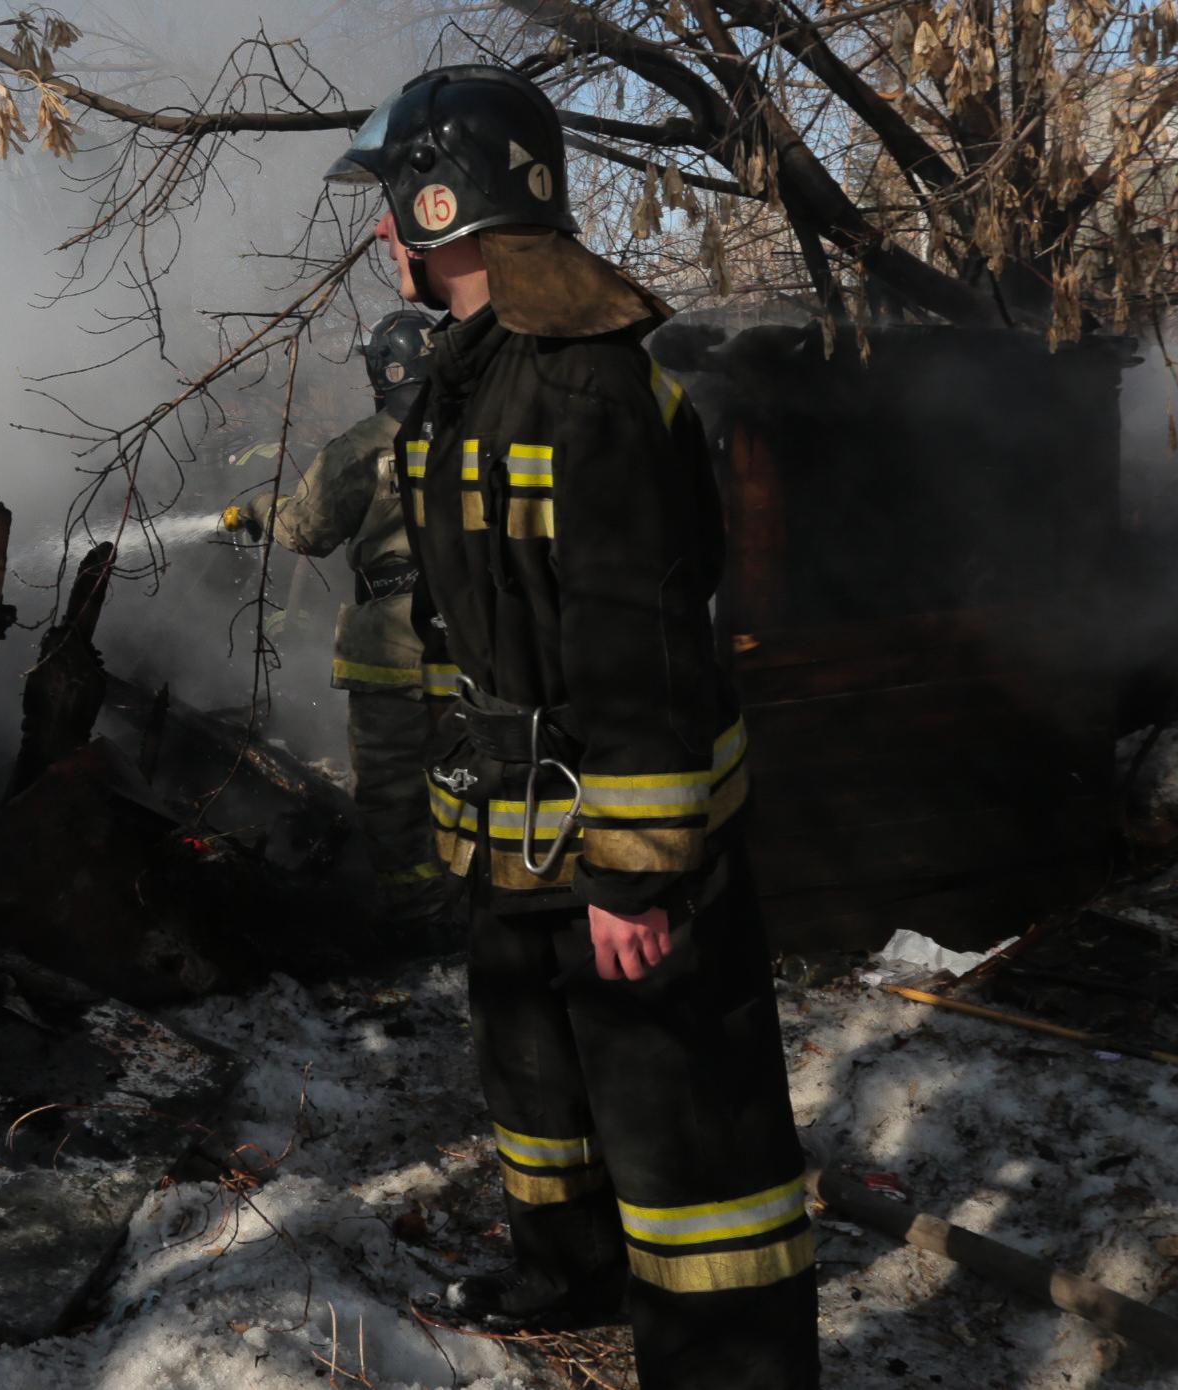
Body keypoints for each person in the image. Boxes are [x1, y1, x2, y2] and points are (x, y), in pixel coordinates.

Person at [329, 63, 818, 1388]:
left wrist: (636, 869)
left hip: (613, 837)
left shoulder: (591, 390)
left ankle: (730, 1366)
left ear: (442, 206)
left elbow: (639, 641)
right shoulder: (468, 377)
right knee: (539, 1086)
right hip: (517, 831)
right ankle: (566, 1267)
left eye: (392, 201)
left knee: (687, 1139)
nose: (380, 230)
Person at [218, 311, 455, 924]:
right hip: (478, 631)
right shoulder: (482, 430)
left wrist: (258, 508)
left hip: (395, 643)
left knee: (392, 784)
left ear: (383, 373)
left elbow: (305, 529)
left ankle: (421, 911)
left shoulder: (364, 446)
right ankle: (485, 893)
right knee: (472, 767)